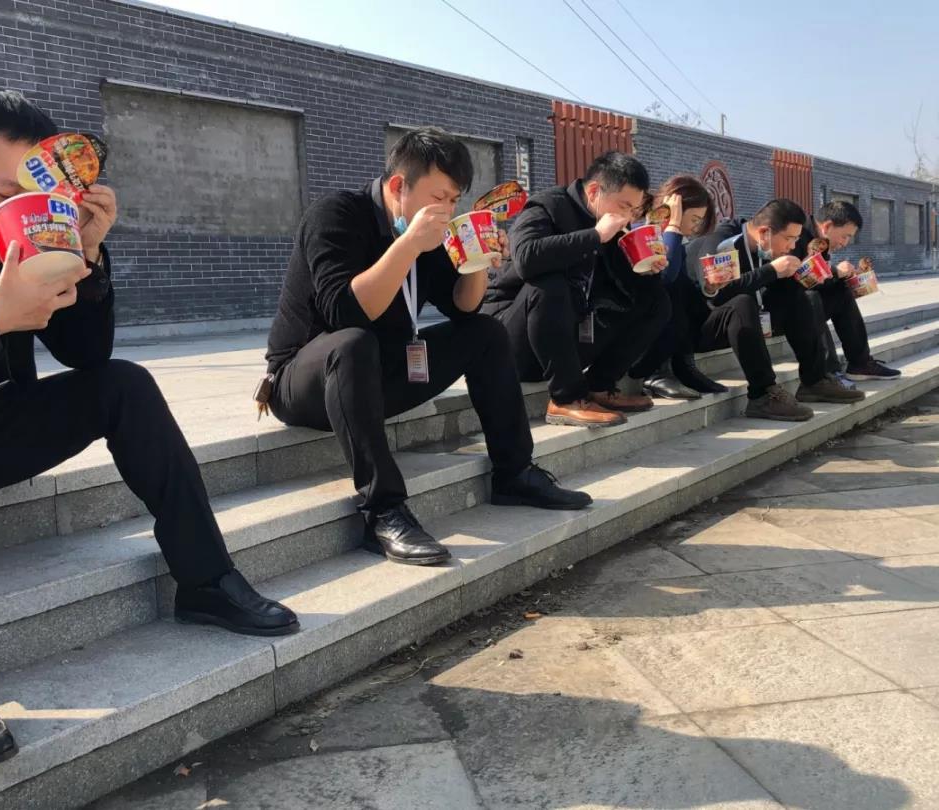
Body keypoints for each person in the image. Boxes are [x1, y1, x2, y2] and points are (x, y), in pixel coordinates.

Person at [0, 89, 298, 771]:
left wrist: (87, 256)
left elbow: (87, 354)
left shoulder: (41, 225)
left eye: (33, 195)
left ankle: (206, 580)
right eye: (2, 193)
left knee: (124, 383)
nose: (17, 211)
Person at [263, 127, 591, 569]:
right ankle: (383, 510)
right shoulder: (336, 214)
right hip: (305, 382)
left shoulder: (428, 233)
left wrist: (476, 262)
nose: (447, 210)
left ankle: (514, 473)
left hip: (381, 375)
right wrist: (408, 244)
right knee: (353, 343)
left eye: (454, 200)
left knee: (486, 333)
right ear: (400, 185)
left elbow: (463, 308)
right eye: (439, 197)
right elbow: (346, 312)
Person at [483, 151, 671, 428]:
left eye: (633, 210)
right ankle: (566, 398)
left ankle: (599, 386)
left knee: (656, 300)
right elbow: (525, 259)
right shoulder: (547, 206)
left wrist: (649, 269)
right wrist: (595, 236)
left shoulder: (616, 226)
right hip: (511, 342)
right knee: (550, 282)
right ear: (594, 191)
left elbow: (625, 290)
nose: (627, 216)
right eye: (624, 206)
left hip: (567, 339)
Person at [686, 198, 863, 414]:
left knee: (799, 295)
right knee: (742, 302)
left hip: (747, 324)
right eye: (789, 239)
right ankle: (762, 394)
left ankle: (815, 380)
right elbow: (718, 295)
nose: (792, 247)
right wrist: (771, 270)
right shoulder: (721, 240)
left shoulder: (765, 249)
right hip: (701, 327)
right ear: (765, 233)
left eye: (796, 239)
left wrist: (802, 276)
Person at [628, 175, 727, 400]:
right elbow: (665, 276)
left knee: (690, 292)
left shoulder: (675, 240)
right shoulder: (640, 229)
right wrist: (673, 225)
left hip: (662, 322)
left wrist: (710, 287)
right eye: (694, 220)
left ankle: (684, 364)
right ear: (676, 210)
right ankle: (655, 373)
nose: (695, 228)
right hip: (634, 328)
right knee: (672, 288)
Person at [791, 200, 900, 383]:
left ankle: (860, 363)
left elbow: (817, 282)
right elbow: (795, 282)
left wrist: (849, 279)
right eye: (845, 236)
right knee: (811, 298)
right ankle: (827, 373)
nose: (845, 243)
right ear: (827, 226)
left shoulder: (819, 240)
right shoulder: (796, 234)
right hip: (781, 309)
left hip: (802, 303)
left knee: (841, 291)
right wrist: (834, 272)